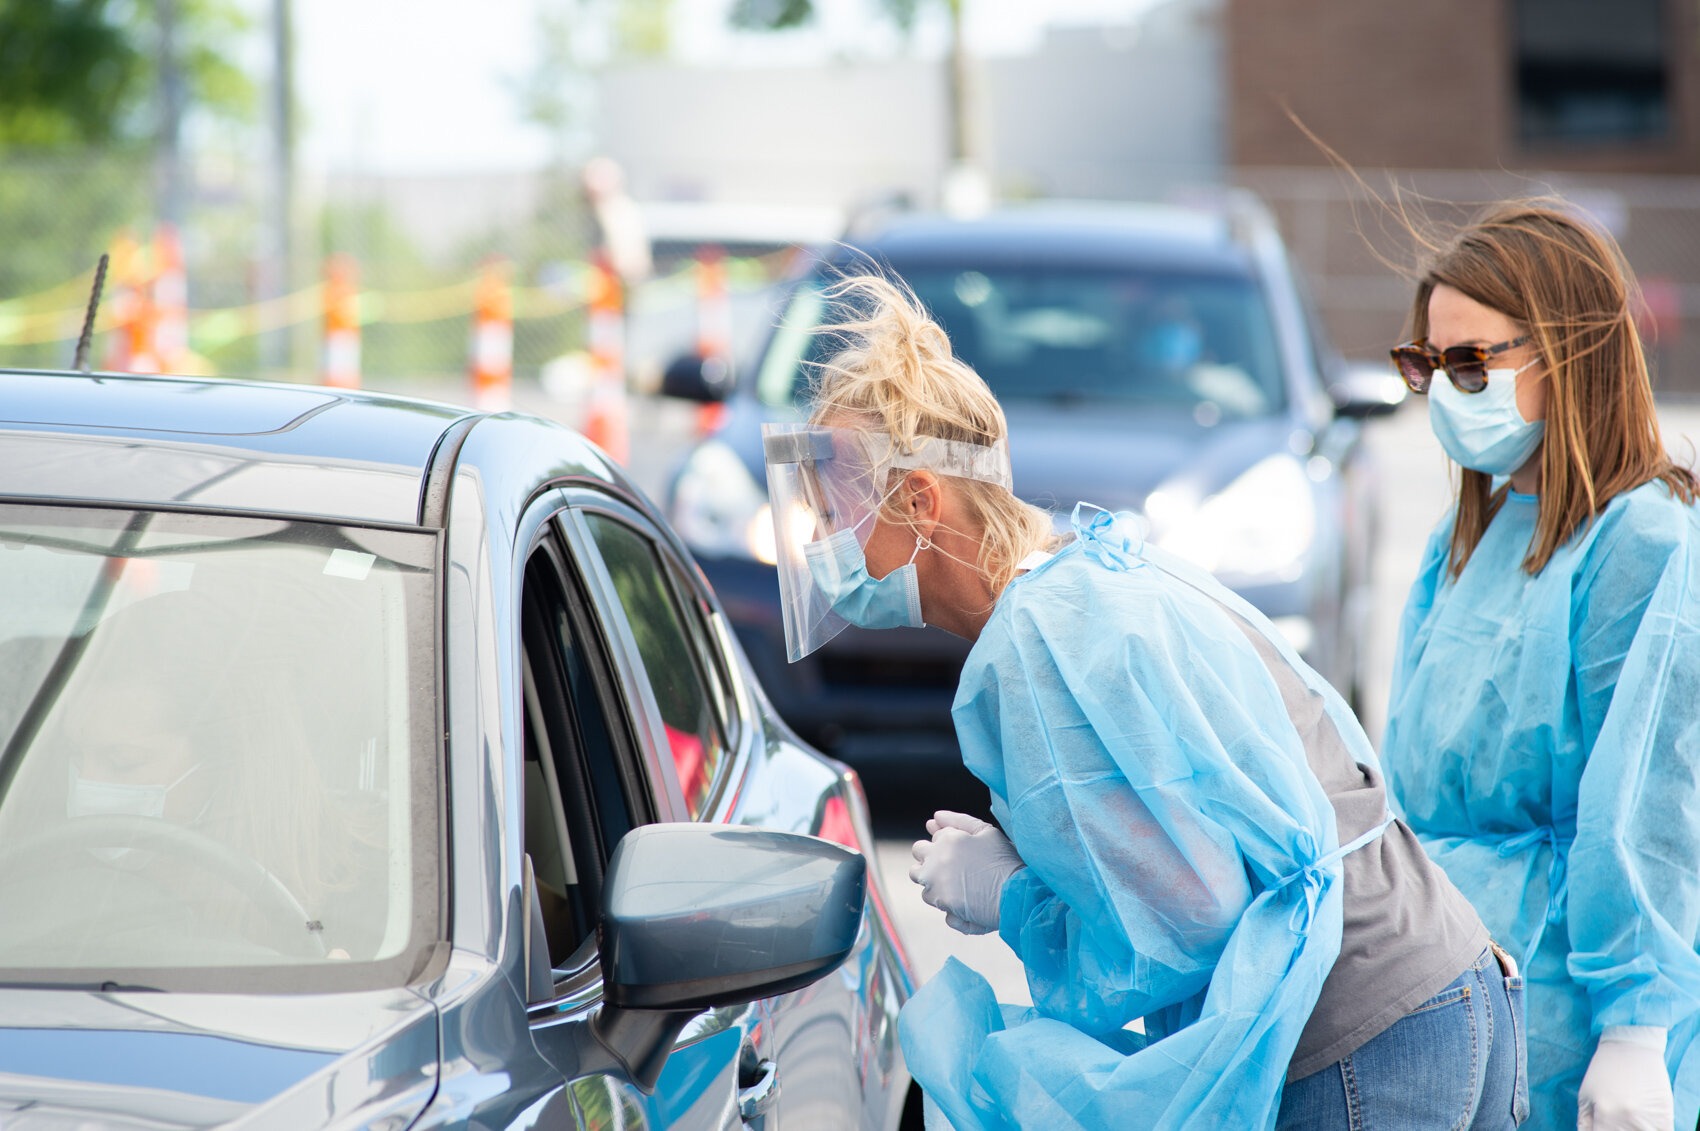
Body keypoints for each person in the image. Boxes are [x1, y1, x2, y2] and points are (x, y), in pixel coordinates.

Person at [762, 274, 1524, 1129]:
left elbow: (1189, 917)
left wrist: (1012, 895)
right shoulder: (1093, 573)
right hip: (1442, 989)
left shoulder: (1040, 640)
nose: (819, 539)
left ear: (919, 499)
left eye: (833, 507)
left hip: (1362, 1036)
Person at [1381, 201, 1700, 1131]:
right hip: (1445, 990)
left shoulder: (1638, 541)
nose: (1446, 387)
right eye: (1428, 364)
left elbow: (1652, 804)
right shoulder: (1468, 537)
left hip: (1567, 1006)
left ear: (1569, 352)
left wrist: (1636, 1027)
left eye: (1473, 361)